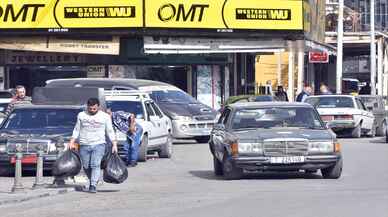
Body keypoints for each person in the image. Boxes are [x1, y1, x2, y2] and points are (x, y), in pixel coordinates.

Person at [68, 98, 117, 193]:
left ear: (98, 107)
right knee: (86, 166)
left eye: (94, 109)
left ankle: (93, 185)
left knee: (95, 164)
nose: (92, 110)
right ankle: (93, 179)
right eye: (90, 109)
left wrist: (114, 144)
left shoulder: (105, 116)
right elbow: (77, 129)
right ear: (87, 107)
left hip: (99, 144)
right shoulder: (81, 115)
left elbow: (110, 130)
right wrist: (72, 141)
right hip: (84, 144)